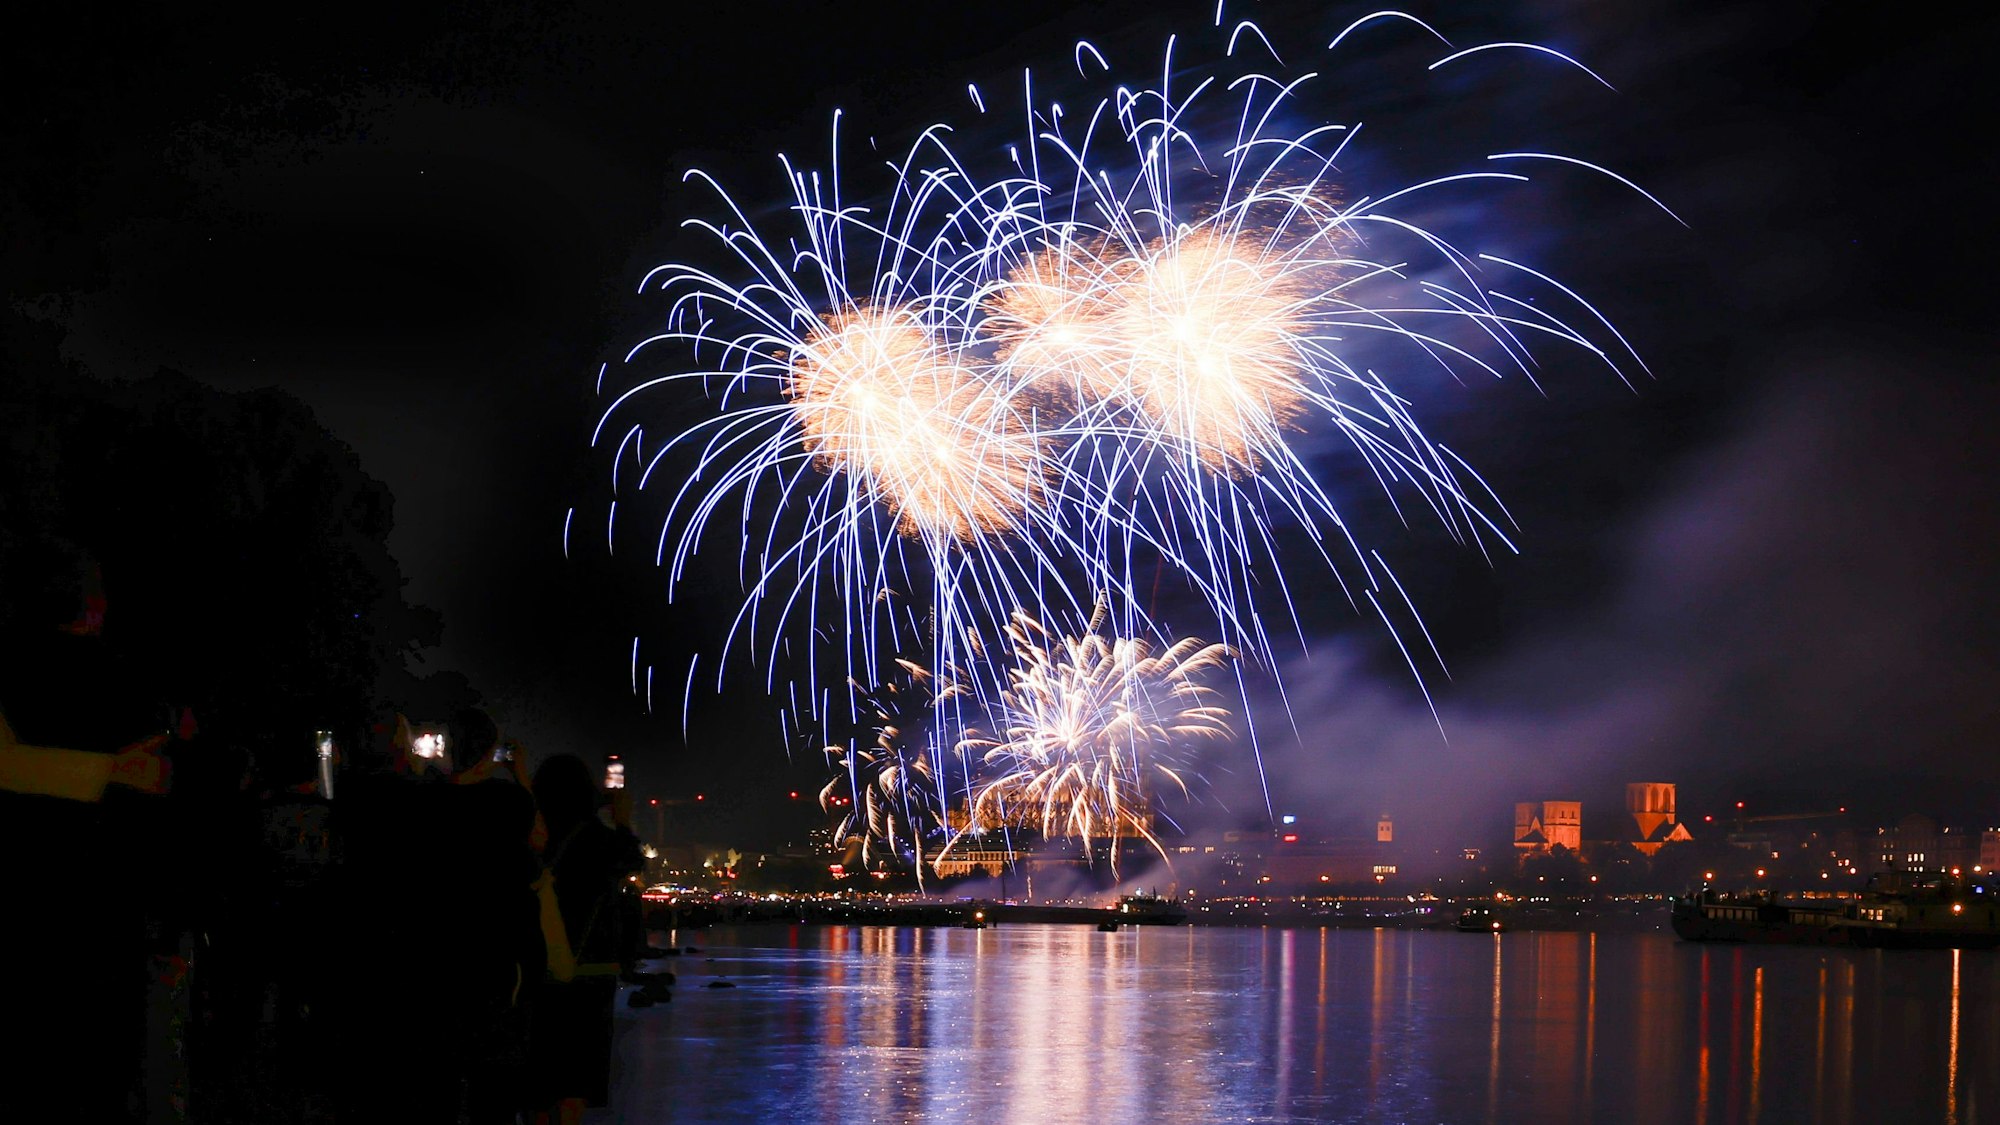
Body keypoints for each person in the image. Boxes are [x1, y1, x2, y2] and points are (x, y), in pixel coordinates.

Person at [0, 537, 175, 1122]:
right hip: (103, 910)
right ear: (95, 604)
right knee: (97, 1069)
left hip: (24, 905)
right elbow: (152, 801)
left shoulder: (12, 672)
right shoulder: (127, 683)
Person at [527, 754, 642, 1125]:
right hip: (589, 969)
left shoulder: (528, 838)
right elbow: (631, 860)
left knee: (538, 1076)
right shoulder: (596, 839)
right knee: (576, 1079)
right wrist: (622, 819)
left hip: (533, 967)